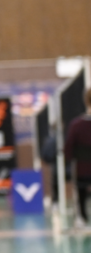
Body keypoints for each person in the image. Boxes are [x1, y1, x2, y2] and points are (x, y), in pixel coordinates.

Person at [65, 89, 91, 226]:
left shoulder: (76, 125)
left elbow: (68, 149)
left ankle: (82, 218)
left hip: (82, 171)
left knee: (80, 189)